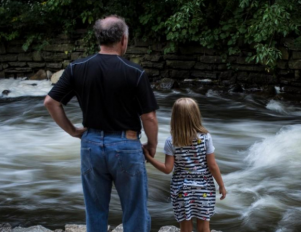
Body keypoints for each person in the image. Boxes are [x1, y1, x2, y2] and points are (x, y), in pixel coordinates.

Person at [44, 15, 158, 232]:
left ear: (99, 38)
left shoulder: (78, 68)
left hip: (91, 144)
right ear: (123, 40)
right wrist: (152, 145)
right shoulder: (135, 72)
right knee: (135, 211)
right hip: (126, 145)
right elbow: (149, 117)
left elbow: (50, 102)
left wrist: (72, 131)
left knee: (95, 211)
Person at [143, 97, 226, 232]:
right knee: (204, 226)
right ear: (195, 115)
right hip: (204, 187)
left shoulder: (172, 141)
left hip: (182, 188)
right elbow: (212, 166)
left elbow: (167, 169)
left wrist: (148, 157)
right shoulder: (206, 137)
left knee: (185, 227)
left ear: (175, 117)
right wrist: (221, 185)